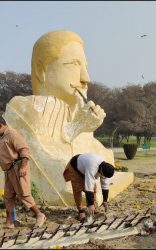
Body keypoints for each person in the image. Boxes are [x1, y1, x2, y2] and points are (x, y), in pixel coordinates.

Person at [2, 30, 119, 205]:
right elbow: (50, 164)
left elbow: (98, 154)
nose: (85, 78)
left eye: (85, 67)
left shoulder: (73, 109)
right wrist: (76, 128)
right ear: (41, 70)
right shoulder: (23, 107)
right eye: (73, 65)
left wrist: (84, 129)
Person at [0, 115, 46, 228]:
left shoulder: (12, 134)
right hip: (8, 170)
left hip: (18, 167)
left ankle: (39, 215)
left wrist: (23, 167)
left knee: (23, 194)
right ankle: (10, 221)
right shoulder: (1, 136)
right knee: (8, 196)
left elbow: (24, 150)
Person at [63, 153, 115, 221]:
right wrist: (90, 204)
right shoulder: (92, 167)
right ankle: (81, 211)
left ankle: (92, 208)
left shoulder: (106, 169)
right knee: (78, 189)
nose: (103, 177)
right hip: (75, 167)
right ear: (101, 170)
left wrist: (105, 200)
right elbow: (89, 186)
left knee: (94, 188)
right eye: (103, 175)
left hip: (85, 168)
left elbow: (105, 185)